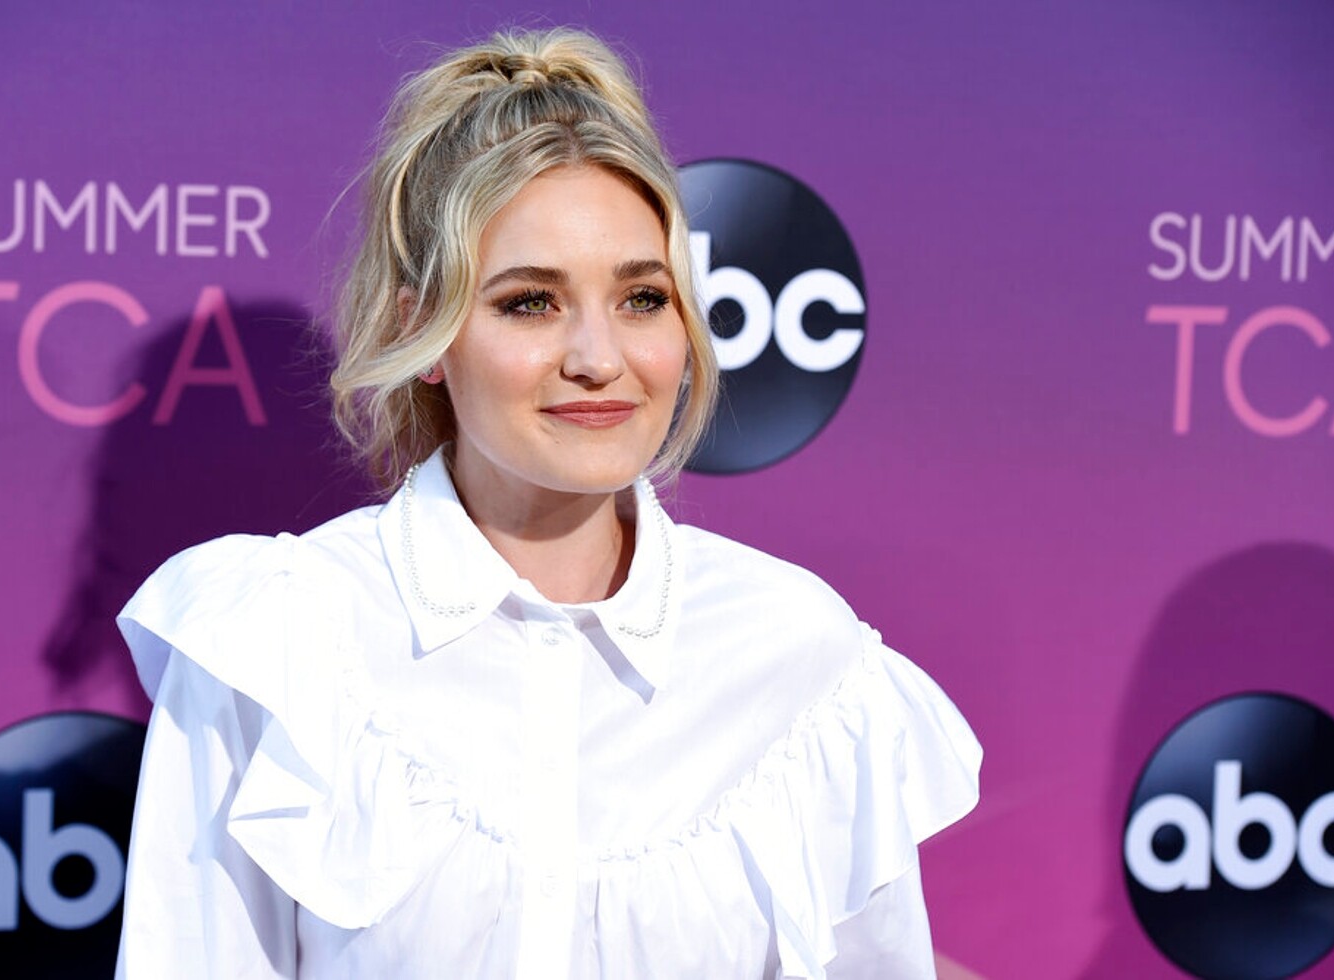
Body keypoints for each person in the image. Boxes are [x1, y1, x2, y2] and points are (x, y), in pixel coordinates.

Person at [115, 27, 980, 980]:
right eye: (531, 301)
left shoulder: (803, 661)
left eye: (642, 299)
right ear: (424, 329)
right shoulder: (279, 646)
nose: (599, 358)